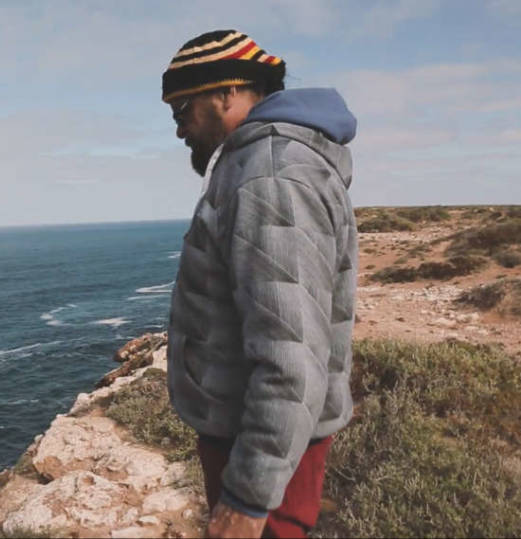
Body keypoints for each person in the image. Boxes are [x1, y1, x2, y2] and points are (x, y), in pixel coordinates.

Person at [162, 30, 358, 538]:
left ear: (228, 92)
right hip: (257, 436)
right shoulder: (262, 164)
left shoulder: (271, 176)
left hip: (261, 447)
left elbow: (290, 358)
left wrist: (247, 500)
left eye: (182, 108)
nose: (178, 128)